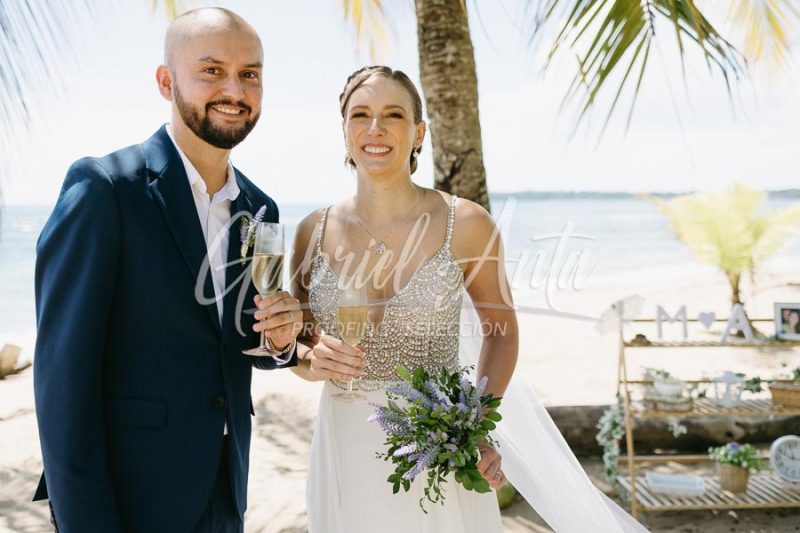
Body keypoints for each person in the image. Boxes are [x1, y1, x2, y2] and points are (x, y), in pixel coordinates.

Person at [289, 66, 650, 532]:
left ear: (419, 132)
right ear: (344, 131)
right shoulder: (310, 233)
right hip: (341, 447)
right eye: (361, 114)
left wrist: (472, 425)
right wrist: (310, 360)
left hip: (435, 446)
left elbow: (502, 335)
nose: (375, 128)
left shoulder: (468, 224)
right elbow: (294, 351)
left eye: (393, 115)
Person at [32, 8, 302, 533]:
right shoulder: (104, 190)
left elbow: (240, 339)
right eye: (212, 70)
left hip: (226, 494)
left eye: (250, 73)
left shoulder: (260, 208)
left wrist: (281, 340)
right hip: (129, 501)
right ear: (166, 81)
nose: (235, 89)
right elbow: (62, 387)